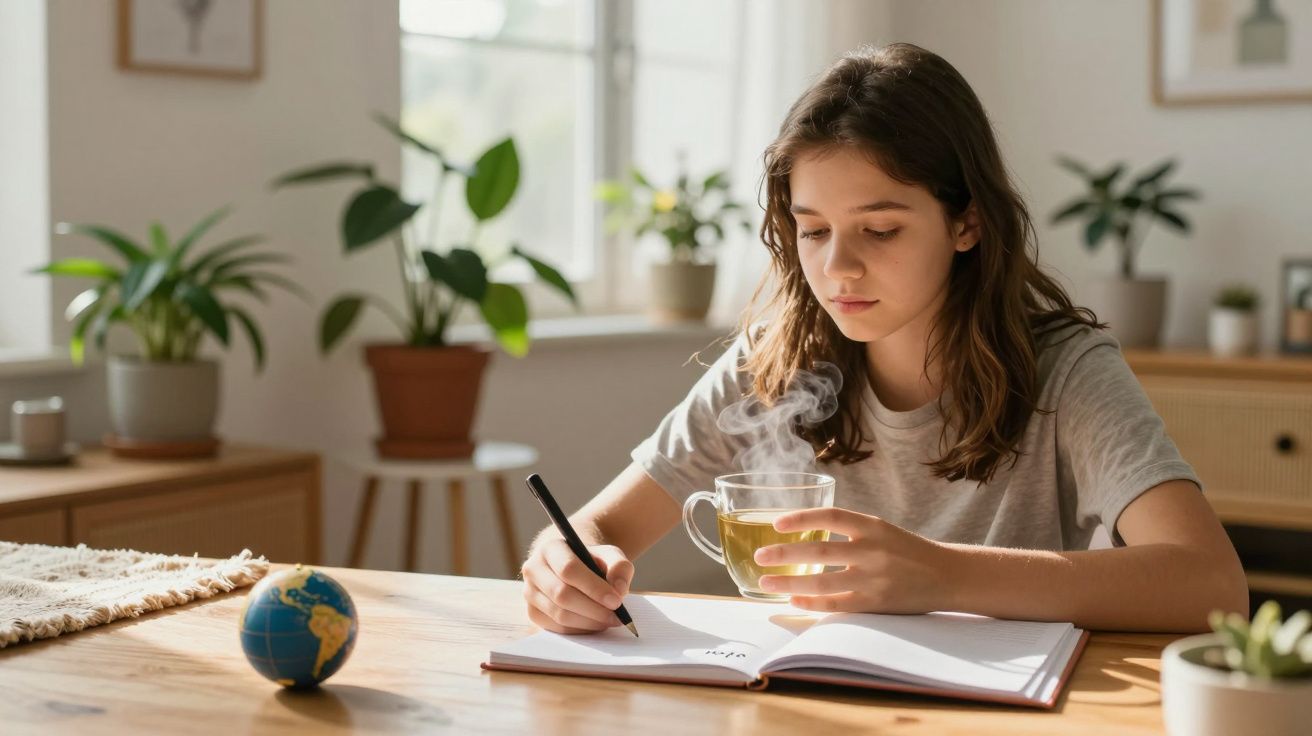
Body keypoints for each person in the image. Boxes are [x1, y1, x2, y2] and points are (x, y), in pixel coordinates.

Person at [520, 43, 1247, 635]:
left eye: (880, 229)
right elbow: (593, 527)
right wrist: (559, 566)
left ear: (968, 223)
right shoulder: (774, 364)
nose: (837, 267)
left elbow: (1211, 584)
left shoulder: (1063, 370)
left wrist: (943, 573)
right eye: (813, 231)